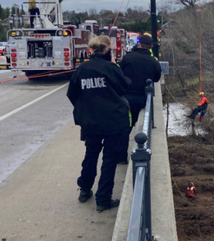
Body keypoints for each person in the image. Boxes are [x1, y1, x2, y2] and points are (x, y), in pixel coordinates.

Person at [67, 35, 132, 212]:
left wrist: (86, 107)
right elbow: (124, 86)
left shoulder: (83, 69)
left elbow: (72, 93)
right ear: (107, 50)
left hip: (91, 121)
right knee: (109, 159)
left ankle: (85, 189)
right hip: (113, 120)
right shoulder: (111, 68)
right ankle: (103, 199)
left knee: (91, 155)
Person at [119, 33, 163, 135]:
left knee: (124, 124)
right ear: (151, 47)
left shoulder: (127, 58)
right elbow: (156, 78)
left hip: (125, 96)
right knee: (132, 121)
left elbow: (120, 74)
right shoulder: (153, 62)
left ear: (138, 44)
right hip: (142, 97)